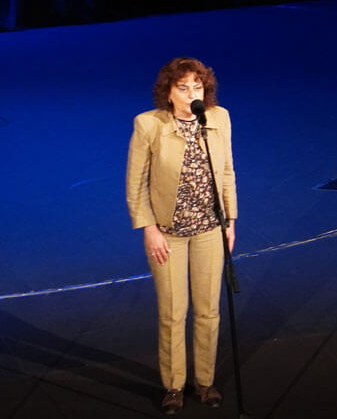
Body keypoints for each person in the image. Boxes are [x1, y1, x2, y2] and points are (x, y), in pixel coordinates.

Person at [126, 57, 237, 414]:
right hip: (168, 234)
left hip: (209, 230)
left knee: (208, 311)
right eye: (183, 88)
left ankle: (205, 381)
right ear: (168, 92)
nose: (192, 94)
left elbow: (227, 172)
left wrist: (230, 220)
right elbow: (136, 183)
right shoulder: (148, 124)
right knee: (173, 312)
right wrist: (149, 229)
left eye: (197, 87)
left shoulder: (218, 118)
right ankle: (174, 386)